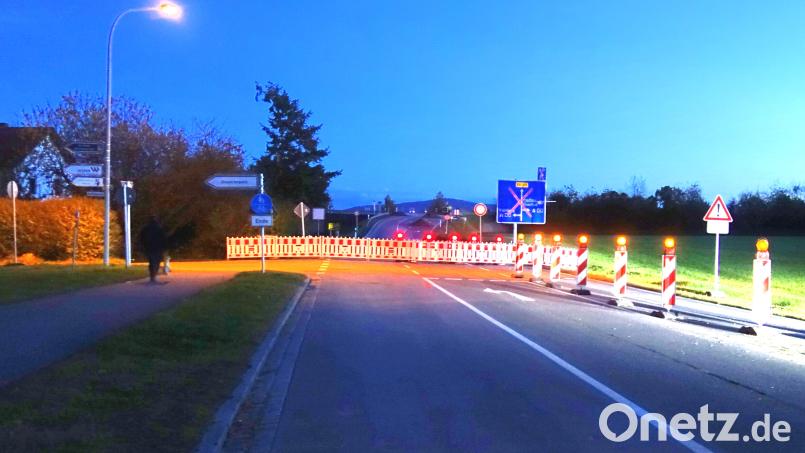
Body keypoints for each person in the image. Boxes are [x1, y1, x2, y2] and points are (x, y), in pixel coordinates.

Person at [139, 215, 167, 283]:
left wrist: (143, 246)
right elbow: (163, 238)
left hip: (148, 247)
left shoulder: (145, 228)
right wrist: (164, 247)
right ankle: (153, 276)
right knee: (156, 262)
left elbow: (141, 238)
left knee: (151, 262)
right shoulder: (159, 228)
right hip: (157, 248)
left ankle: (152, 276)